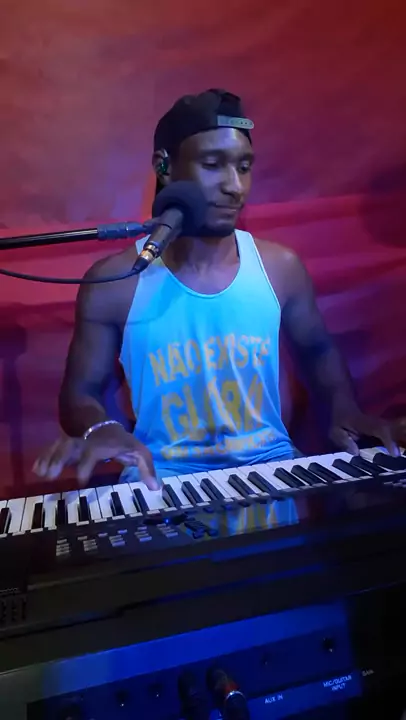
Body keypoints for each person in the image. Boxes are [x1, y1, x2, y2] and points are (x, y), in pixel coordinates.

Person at [33, 88, 399, 489]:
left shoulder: (280, 268)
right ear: (164, 166)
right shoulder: (115, 282)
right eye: (212, 164)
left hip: (270, 469)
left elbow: (317, 350)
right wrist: (100, 428)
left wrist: (344, 409)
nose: (235, 186)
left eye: (244, 166)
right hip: (160, 478)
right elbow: (80, 393)